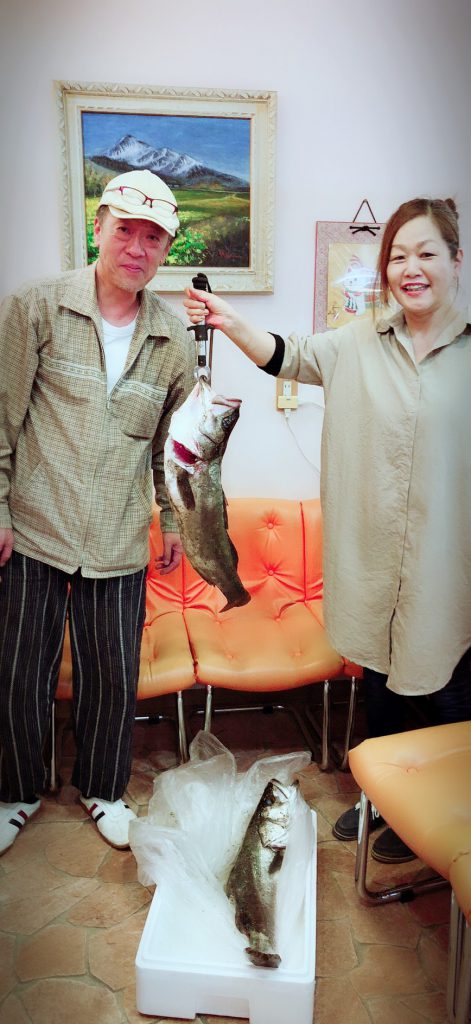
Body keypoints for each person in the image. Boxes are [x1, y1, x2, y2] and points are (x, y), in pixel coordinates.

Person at [184, 197, 471, 863]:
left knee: (446, 696)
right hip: (373, 564)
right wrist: (226, 319)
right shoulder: (356, 342)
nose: (410, 268)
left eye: (426, 253)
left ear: (456, 260)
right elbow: (285, 356)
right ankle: (383, 801)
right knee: (381, 689)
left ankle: (443, 819)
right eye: (397, 256)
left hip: (446, 571)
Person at [0, 169, 196, 854]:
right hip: (34, 528)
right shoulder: (36, 307)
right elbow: (3, 419)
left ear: (166, 248)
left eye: (153, 238)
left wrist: (173, 520)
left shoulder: (173, 339)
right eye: (125, 231)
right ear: (98, 228)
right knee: (19, 671)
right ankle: (17, 791)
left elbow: (174, 450)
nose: (136, 248)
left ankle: (104, 790)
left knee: (112, 677)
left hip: (118, 537)